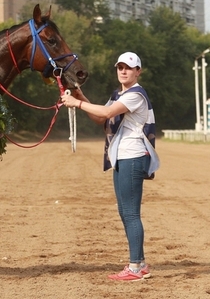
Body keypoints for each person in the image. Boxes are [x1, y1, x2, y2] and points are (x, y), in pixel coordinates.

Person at [61, 51, 159, 281]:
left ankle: (136, 267)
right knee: (124, 212)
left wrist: (76, 103)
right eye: (120, 67)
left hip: (133, 156)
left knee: (131, 213)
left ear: (138, 71)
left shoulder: (136, 94)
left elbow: (106, 112)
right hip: (121, 156)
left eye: (128, 67)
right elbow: (101, 119)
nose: (123, 71)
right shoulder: (118, 94)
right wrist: (80, 95)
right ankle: (139, 263)